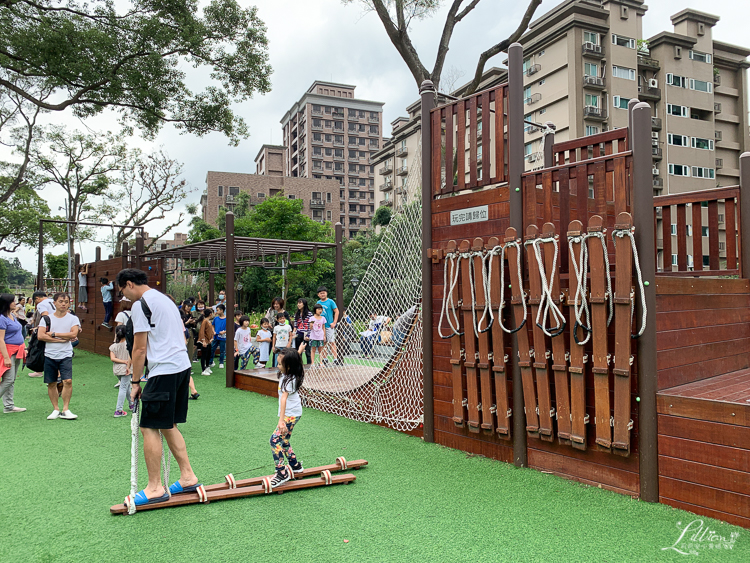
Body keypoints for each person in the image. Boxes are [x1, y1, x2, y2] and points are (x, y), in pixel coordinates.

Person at [117, 268, 199, 506]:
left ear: (129, 284)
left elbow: (140, 348)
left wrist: (135, 382)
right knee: (167, 424)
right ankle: (187, 477)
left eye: (123, 291)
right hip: (181, 368)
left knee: (149, 427)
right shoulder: (165, 300)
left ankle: (155, 487)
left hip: (165, 370)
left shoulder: (141, 304)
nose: (125, 296)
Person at [38, 292, 81, 420]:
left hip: (66, 354)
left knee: (67, 381)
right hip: (49, 354)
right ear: (54, 303)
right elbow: (41, 336)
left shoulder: (73, 318)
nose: (63, 304)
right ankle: (55, 409)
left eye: (66, 302)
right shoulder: (46, 319)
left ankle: (65, 409)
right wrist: (60, 339)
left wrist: (53, 334)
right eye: (61, 301)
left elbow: (73, 334)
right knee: (51, 383)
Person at [269, 343, 306, 487]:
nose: (278, 366)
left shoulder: (290, 379)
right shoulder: (289, 373)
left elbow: (283, 398)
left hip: (290, 415)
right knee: (284, 441)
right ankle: (295, 465)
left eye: (280, 364)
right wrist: (300, 351)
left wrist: (281, 421)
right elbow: (293, 358)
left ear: (289, 366)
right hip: (293, 413)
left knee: (274, 441)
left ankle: (281, 472)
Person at [0, 294, 27, 413]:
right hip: (8, 352)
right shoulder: (2, 318)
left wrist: (24, 347)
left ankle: (9, 406)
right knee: (8, 379)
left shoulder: (11, 316)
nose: (15, 303)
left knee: (11, 380)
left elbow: (18, 333)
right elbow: (0, 339)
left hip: (18, 351)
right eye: (13, 301)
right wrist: (6, 357)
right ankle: (9, 405)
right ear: (6, 303)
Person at [28, 291, 56, 378]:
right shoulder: (53, 301)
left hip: (48, 329)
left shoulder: (41, 304)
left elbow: (45, 316)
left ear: (37, 298)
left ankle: (39, 370)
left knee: (40, 349)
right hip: (58, 327)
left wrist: (41, 328)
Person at [110, 325, 132, 417]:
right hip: (127, 369)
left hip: (117, 369)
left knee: (126, 386)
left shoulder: (113, 346)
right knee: (123, 387)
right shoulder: (130, 345)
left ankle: (132, 404)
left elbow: (112, 358)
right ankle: (118, 410)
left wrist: (122, 361)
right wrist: (126, 362)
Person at [316, 286, 340, 366]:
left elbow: (336, 311)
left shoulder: (330, 301)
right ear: (318, 294)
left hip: (329, 325)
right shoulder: (318, 303)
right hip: (321, 326)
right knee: (323, 342)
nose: (322, 294)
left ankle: (335, 359)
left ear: (326, 293)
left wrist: (334, 322)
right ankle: (325, 358)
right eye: (320, 293)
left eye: (324, 292)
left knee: (332, 342)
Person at [293, 298, 313, 365]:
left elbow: (312, 325)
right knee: (298, 351)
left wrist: (309, 335)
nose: (298, 304)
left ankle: (309, 366)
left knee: (308, 352)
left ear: (304, 304)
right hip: (299, 334)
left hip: (307, 334)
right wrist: (293, 333)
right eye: (298, 303)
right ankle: (299, 366)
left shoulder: (310, 314)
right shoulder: (296, 314)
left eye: (300, 303)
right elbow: (295, 325)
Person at [197, 307, 215, 376]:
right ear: (210, 314)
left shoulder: (208, 321)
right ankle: (203, 369)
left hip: (209, 341)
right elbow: (201, 331)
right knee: (204, 355)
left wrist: (211, 338)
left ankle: (207, 367)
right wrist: (203, 341)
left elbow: (210, 331)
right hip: (205, 341)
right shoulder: (204, 321)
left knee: (208, 354)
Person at [209, 304, 227, 369]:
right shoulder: (216, 318)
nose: (216, 312)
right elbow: (212, 325)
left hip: (223, 336)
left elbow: (229, 328)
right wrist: (213, 331)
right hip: (215, 336)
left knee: (222, 350)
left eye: (217, 310)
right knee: (212, 349)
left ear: (222, 310)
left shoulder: (227, 319)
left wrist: (224, 332)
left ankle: (221, 362)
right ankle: (210, 362)